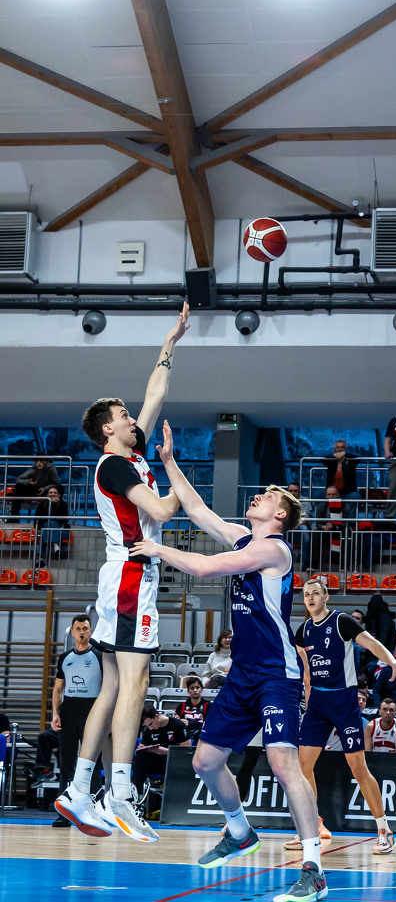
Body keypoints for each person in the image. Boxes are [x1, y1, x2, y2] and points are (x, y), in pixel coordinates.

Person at [129, 422, 327, 902]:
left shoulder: (274, 550)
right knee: (204, 761)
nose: (257, 496)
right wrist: (169, 461)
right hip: (242, 674)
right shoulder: (244, 539)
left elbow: (202, 567)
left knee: (283, 764)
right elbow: (197, 510)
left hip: (277, 674)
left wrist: (157, 548)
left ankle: (314, 868)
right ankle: (240, 832)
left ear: (280, 514)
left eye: (266, 496)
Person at [54, 305, 189, 843]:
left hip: (122, 578)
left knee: (112, 686)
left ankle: (77, 790)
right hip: (132, 575)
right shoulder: (113, 464)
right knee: (135, 682)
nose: (136, 417)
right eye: (125, 415)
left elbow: (155, 394)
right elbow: (160, 511)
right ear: (109, 429)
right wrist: (177, 473)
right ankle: (120, 793)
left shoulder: (127, 457)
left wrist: (170, 342)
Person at [286, 578, 396, 854]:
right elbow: (307, 673)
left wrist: (394, 663)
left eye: (315, 593)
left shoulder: (341, 622)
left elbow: (372, 644)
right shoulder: (303, 631)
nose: (310, 598)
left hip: (344, 701)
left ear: (326, 597)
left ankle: (384, 829)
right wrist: (308, 706)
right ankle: (312, 826)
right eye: (306, 594)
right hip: (317, 703)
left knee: (358, 767)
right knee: (302, 766)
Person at [51, 615, 104, 828]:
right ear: (72, 632)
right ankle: (64, 813)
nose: (82, 632)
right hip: (69, 710)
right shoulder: (65, 657)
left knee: (93, 762)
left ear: (91, 631)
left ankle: (94, 812)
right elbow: (58, 689)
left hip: (92, 710)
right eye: (78, 628)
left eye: (85, 628)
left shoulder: (99, 656)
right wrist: (55, 713)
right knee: (66, 763)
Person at [132, 706, 191, 795]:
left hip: (173, 761)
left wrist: (167, 751)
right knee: (139, 758)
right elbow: (143, 745)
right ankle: (137, 793)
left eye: (151, 724)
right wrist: (142, 748)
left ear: (156, 716)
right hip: (157, 761)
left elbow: (187, 751)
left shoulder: (178, 725)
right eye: (147, 726)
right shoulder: (149, 730)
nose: (150, 728)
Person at [8, 457, 61, 521]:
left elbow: (57, 483)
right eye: (37, 461)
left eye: (41, 461)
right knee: (18, 486)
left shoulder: (51, 468)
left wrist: (45, 488)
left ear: (46, 462)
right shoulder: (33, 469)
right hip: (35, 488)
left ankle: (57, 518)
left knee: (59, 489)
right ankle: (14, 517)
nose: (39, 463)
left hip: (47, 490)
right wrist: (28, 482)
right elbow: (18, 479)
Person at [321, 440, 361, 519]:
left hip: (347, 494)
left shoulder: (351, 460)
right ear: (334, 449)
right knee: (317, 495)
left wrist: (345, 453)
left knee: (356, 496)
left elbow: (359, 456)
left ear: (346, 449)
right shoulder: (331, 460)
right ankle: (322, 521)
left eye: (342, 447)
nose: (340, 449)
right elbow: (320, 455)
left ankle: (351, 522)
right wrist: (334, 454)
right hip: (332, 494)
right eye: (338, 448)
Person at [36, 484, 70, 564]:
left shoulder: (63, 505)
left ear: (59, 495)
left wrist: (55, 505)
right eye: (50, 492)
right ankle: (56, 547)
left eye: (55, 493)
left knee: (50, 526)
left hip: (61, 531)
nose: (53, 494)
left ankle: (41, 558)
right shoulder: (41, 505)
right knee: (48, 526)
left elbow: (61, 520)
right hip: (46, 528)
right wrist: (50, 505)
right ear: (47, 494)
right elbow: (39, 520)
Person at [174, 677, 210, 742]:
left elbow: (210, 726)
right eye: (192, 688)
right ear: (188, 691)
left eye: (197, 688)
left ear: (201, 690)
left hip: (202, 738)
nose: (195, 690)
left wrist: (190, 723)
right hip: (185, 738)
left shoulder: (208, 705)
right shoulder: (181, 706)